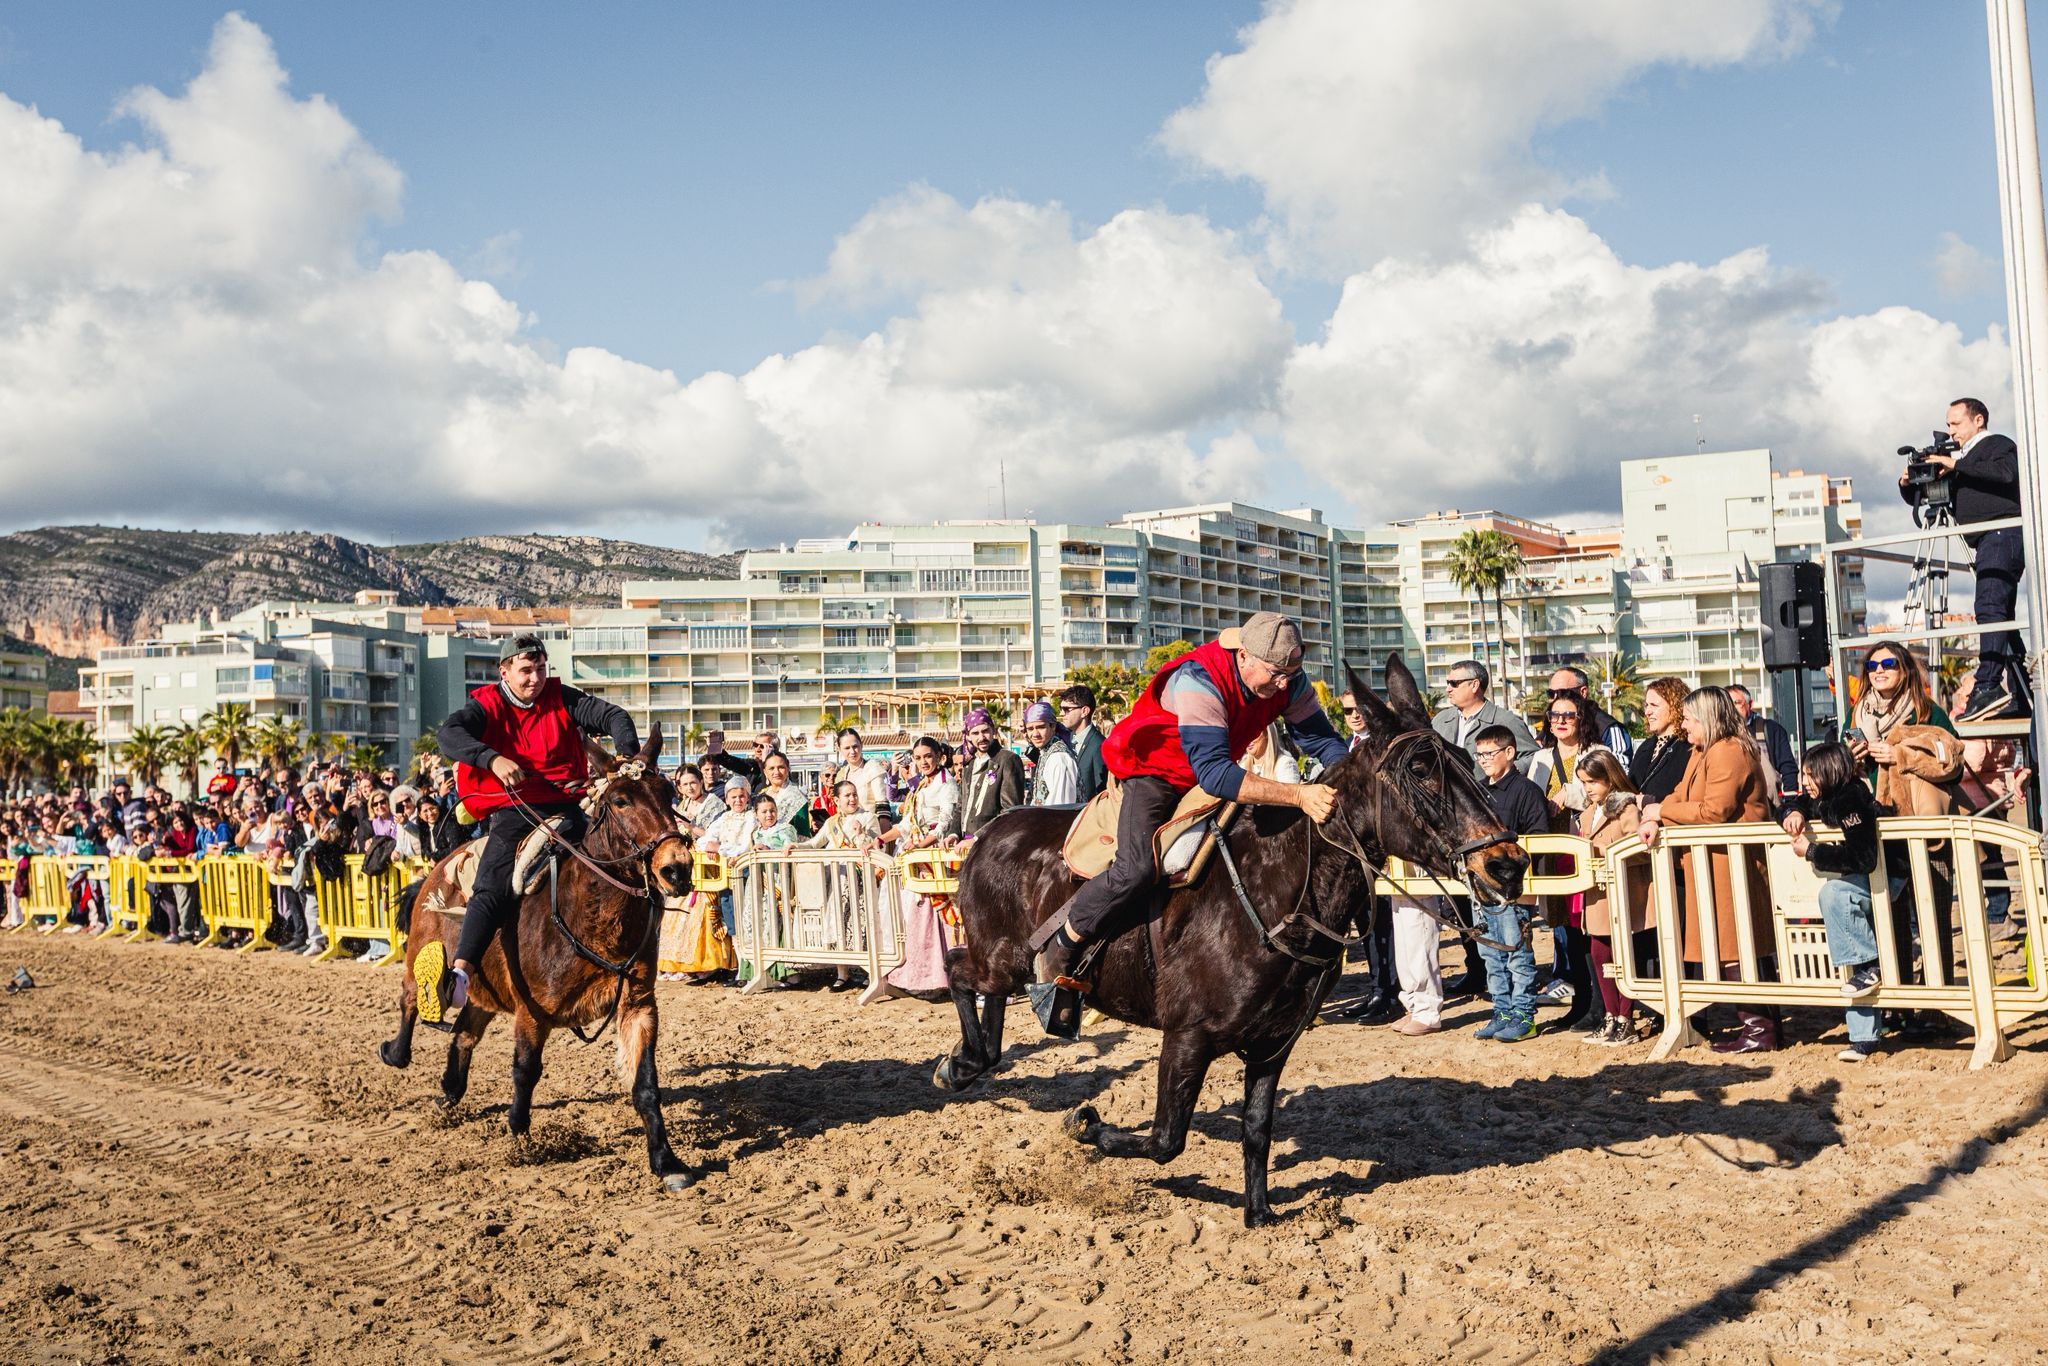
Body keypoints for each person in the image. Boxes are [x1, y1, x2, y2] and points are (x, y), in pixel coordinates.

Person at [1034, 614, 1348, 1001]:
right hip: (1153, 771)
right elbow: (1216, 773)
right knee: (1137, 869)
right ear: (1245, 656)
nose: (1284, 682)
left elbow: (1323, 741)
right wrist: (1299, 795)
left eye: (1292, 672)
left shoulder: (1289, 681)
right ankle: (1063, 943)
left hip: (1203, 774)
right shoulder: (1198, 678)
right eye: (1276, 672)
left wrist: (1349, 777)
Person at [429, 632, 639, 1021]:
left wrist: (627, 752)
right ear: (504, 671)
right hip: (516, 810)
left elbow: (613, 716)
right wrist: (490, 759)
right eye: (526, 670)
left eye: (541, 669)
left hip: (568, 807)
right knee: (491, 888)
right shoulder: (486, 705)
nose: (535, 678)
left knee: (617, 865)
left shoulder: (563, 697)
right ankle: (460, 975)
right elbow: (448, 735)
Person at [1639, 686, 1777, 1053]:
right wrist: (1659, 814)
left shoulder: (1729, 750)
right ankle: (1759, 1025)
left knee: (1737, 946)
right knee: (1731, 945)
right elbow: (1683, 795)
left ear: (1707, 718)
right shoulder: (1705, 750)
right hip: (1713, 864)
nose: (1683, 725)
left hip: (1732, 865)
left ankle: (1760, 1029)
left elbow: (1714, 810)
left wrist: (1660, 813)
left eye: (1688, 719)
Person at [1898, 397, 2028, 720]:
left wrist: (1955, 464)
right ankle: (2022, 690)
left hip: (2002, 533)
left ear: (1978, 420)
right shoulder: (1962, 460)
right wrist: (1907, 482)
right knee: (2002, 617)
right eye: (1948, 425)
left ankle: (1987, 685)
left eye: (1956, 423)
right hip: (1985, 541)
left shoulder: (1997, 445)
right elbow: (1928, 493)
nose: (1950, 431)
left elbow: (2006, 474)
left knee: (1989, 608)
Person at [1780, 742, 1896, 1063]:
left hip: (1888, 879)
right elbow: (1795, 802)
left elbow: (1864, 856)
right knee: (1854, 971)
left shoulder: (1850, 799)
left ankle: (1871, 967)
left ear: (1828, 772)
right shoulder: (1827, 796)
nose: (1804, 781)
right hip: (1870, 879)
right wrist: (1793, 812)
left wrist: (1814, 853)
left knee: (1833, 897)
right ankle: (1862, 1038)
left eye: (1809, 774)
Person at [1472, 723, 1548, 1042]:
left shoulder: (1526, 791)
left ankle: (1524, 1016)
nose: (1484, 759)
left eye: (1489, 753)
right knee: (1491, 958)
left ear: (1509, 753)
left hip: (1513, 893)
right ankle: (1501, 1014)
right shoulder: (1476, 790)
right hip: (1481, 889)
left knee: (1518, 956)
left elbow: (1540, 838)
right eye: (1479, 754)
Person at [1575, 748, 1650, 1046]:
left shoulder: (1626, 808)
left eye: (1593, 781)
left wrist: (1607, 855)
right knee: (1599, 954)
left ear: (1610, 778)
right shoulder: (1587, 813)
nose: (1588, 788)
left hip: (1623, 891)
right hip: (1597, 892)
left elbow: (1639, 849)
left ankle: (1625, 1018)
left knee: (1623, 956)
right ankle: (1610, 1016)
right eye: (1584, 782)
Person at [879, 736, 961, 996]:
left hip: (934, 856)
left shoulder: (946, 784)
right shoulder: (920, 787)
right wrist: (880, 839)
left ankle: (939, 976)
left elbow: (946, 822)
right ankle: (917, 975)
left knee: (933, 914)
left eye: (928, 756)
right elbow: (906, 825)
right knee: (911, 915)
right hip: (914, 855)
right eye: (918, 758)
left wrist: (922, 844)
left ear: (939, 756)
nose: (923, 761)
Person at [1430, 659, 1537, 770]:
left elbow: (1534, 756)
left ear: (1474, 685)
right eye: (1447, 683)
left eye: (1454, 683)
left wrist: (1505, 775)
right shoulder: (1439, 721)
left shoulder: (1506, 720)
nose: (1448, 689)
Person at [959, 709, 1026, 837]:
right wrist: (953, 835)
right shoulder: (969, 765)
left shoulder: (1007, 760)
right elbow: (960, 806)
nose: (981, 737)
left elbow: (1010, 811)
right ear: (968, 736)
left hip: (991, 842)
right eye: (975, 733)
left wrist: (978, 838)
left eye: (985, 731)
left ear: (993, 730)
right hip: (965, 841)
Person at [1545, 666, 1634, 760]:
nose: (1556, 699)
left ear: (1583, 692)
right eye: (1551, 693)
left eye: (1562, 693)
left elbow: (1620, 769)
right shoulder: (1550, 727)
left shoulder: (1606, 727)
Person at [1629, 676, 1694, 802]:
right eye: (1646, 705)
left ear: (1675, 707)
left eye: (1654, 705)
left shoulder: (1689, 746)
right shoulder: (1645, 746)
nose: (1647, 712)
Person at [1728, 683, 1797, 799]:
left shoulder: (1770, 729)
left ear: (1750, 704)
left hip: (1770, 807)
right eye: (1728, 704)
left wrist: (1790, 803)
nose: (1732, 708)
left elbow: (1788, 768)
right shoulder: (1721, 736)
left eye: (1737, 703)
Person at [1021, 701, 1079, 806]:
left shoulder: (1058, 758)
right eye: (1030, 729)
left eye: (1041, 727)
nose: (1035, 734)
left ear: (1053, 727)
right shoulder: (1046, 752)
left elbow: (1061, 809)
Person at [1057, 685, 1109, 802]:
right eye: (1060, 708)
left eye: (1066, 709)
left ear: (1084, 711)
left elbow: (1102, 791)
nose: (1061, 713)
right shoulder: (1065, 739)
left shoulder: (1099, 745)